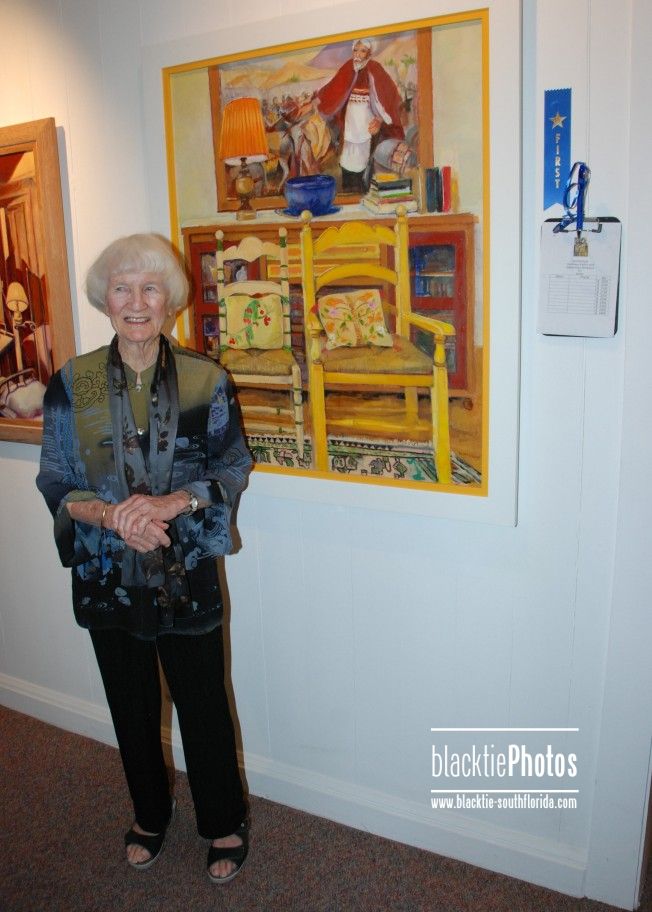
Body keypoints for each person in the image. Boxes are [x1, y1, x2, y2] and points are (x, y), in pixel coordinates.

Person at [36, 234, 253, 884]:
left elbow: (232, 465)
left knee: (203, 701)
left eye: (150, 288)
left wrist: (174, 502)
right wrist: (112, 517)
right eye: (123, 288)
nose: (136, 301)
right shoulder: (71, 383)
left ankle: (224, 820)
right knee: (130, 704)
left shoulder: (207, 379)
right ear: (105, 299)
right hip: (106, 570)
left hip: (185, 567)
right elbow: (55, 478)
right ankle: (150, 814)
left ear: (169, 300)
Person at [315, 38, 405, 192]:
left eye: (362, 51)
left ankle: (363, 188)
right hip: (349, 123)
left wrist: (380, 119)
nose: (357, 54)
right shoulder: (347, 67)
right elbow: (333, 88)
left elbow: (388, 97)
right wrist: (316, 99)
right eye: (355, 50)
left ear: (369, 53)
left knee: (365, 158)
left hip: (367, 124)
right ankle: (348, 186)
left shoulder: (375, 69)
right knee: (347, 157)